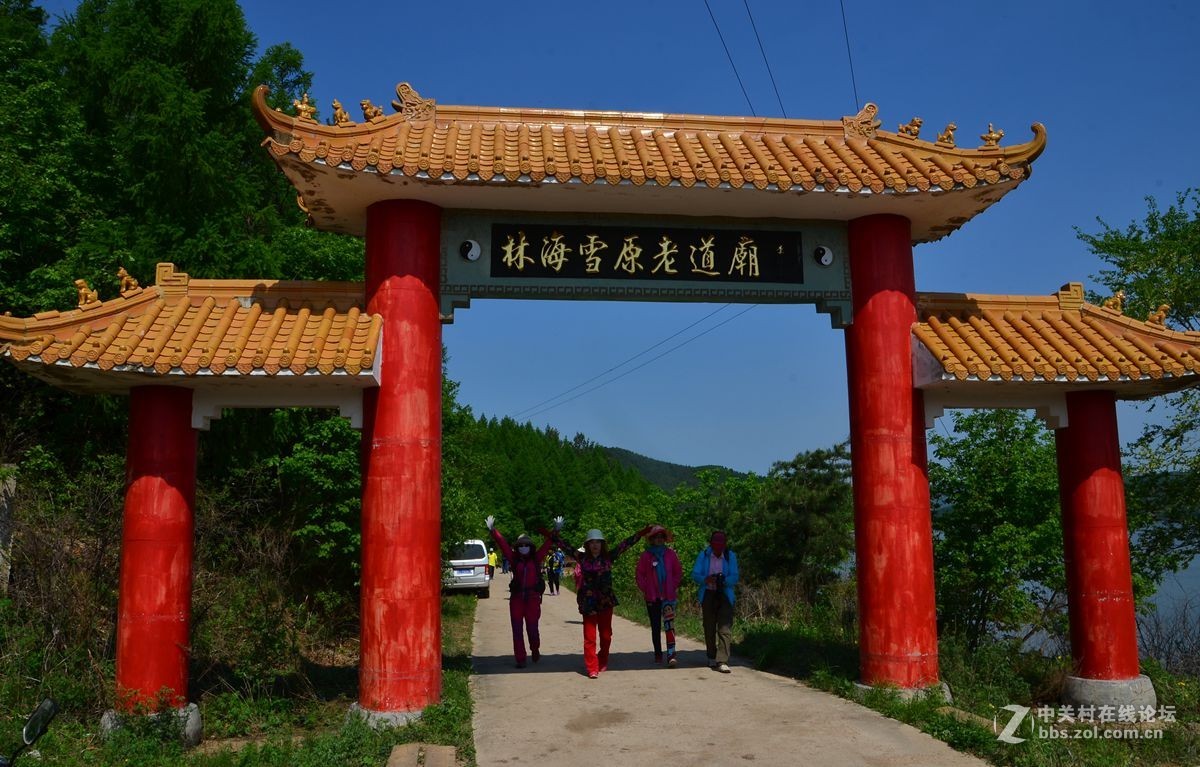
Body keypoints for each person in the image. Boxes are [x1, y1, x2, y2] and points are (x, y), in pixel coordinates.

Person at [552, 519, 651, 678]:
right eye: (592, 542)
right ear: (587, 545)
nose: (595, 545)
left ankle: (603, 658)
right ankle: (592, 667)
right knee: (589, 636)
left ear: (602, 544)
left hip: (605, 600)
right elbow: (565, 546)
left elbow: (625, 544)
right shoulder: (582, 558)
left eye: (598, 542)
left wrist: (640, 534)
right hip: (588, 601)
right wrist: (555, 532)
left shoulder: (608, 557)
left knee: (606, 635)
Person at [486, 515, 555, 668]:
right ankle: (521, 658)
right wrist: (493, 531)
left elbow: (547, 545)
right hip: (517, 599)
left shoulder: (536, 559)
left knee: (532, 629)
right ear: (517, 547)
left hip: (532, 599)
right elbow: (503, 544)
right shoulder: (514, 559)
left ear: (531, 547)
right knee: (517, 630)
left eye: (527, 545)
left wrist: (555, 530)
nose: (524, 547)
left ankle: (535, 647)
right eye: (521, 545)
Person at [635, 524, 683, 667]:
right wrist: (647, 588)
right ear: (652, 539)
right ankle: (657, 653)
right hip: (652, 596)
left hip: (668, 596)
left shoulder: (670, 554)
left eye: (662, 537)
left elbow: (677, 572)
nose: (659, 539)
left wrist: (672, 585)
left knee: (669, 626)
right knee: (655, 626)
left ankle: (671, 654)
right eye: (656, 537)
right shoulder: (646, 556)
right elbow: (639, 575)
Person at [691, 530, 739, 673]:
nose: (718, 547)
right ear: (711, 543)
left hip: (725, 594)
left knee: (725, 626)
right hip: (708, 593)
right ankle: (711, 655)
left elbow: (735, 576)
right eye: (715, 543)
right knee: (709, 625)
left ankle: (722, 660)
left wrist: (724, 581)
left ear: (725, 544)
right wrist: (706, 579)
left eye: (721, 544)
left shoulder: (730, 556)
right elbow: (695, 574)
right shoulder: (704, 555)